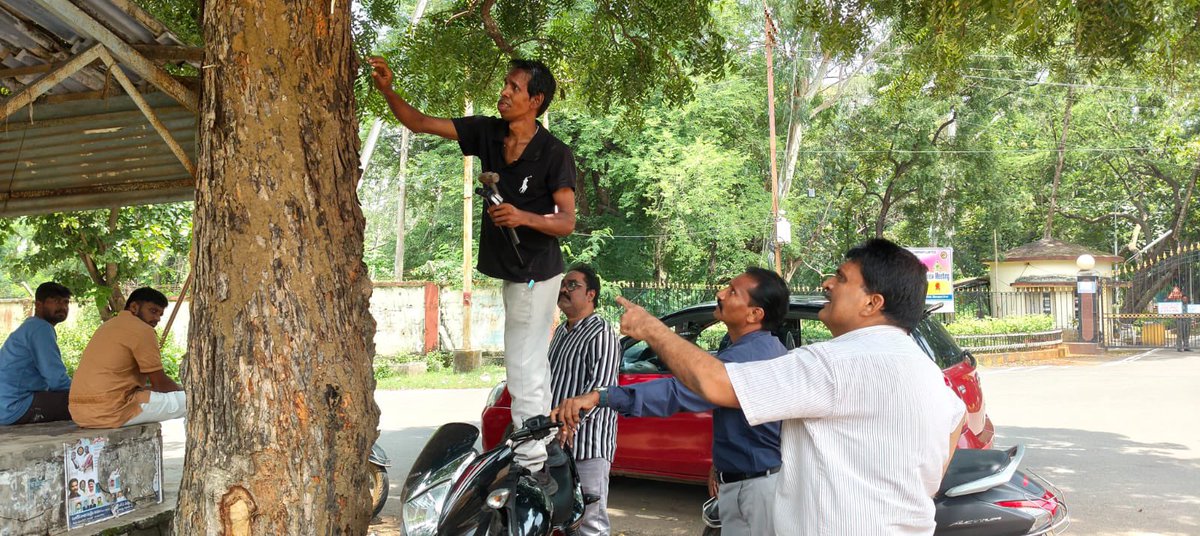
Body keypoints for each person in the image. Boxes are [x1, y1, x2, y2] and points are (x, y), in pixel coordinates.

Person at [613, 239, 967, 535]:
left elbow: (715, 383)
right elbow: (957, 420)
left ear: (872, 303)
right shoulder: (926, 369)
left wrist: (652, 329)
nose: (827, 284)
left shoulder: (834, 362)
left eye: (841, 279)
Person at [369, 56, 577, 478]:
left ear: (535, 100)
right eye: (505, 85)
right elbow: (420, 123)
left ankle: (532, 462)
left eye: (514, 88)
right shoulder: (488, 131)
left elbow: (567, 222)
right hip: (513, 272)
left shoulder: (554, 153)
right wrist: (389, 90)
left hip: (537, 271)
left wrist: (523, 217)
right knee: (525, 360)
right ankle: (536, 446)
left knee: (524, 363)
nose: (504, 92)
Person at [555, 267, 788, 535]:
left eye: (733, 291)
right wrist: (722, 463)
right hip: (744, 482)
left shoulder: (755, 355)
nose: (720, 293)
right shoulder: (744, 348)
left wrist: (601, 395)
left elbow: (679, 391)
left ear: (754, 314)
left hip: (755, 489)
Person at [544, 265, 620, 534]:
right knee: (560, 519)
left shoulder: (602, 333)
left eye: (573, 285)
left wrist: (570, 425)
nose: (564, 289)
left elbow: (602, 391)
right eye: (563, 284)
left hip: (587, 446)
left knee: (590, 522)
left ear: (591, 294)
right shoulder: (561, 333)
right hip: (555, 445)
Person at [69, 288, 185, 428]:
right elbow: (160, 384)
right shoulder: (142, 330)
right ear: (134, 307)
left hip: (80, 413)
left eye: (160, 315)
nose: (157, 319)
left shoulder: (107, 326)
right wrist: (184, 391)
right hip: (112, 411)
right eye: (153, 311)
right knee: (198, 400)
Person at [0, 282, 74, 425]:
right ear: (38, 304)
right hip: (15, 407)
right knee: (89, 402)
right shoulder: (40, 329)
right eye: (56, 301)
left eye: (66, 302)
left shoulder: (32, 326)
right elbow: (56, 380)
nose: (63, 307)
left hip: (6, 404)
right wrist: (85, 392)